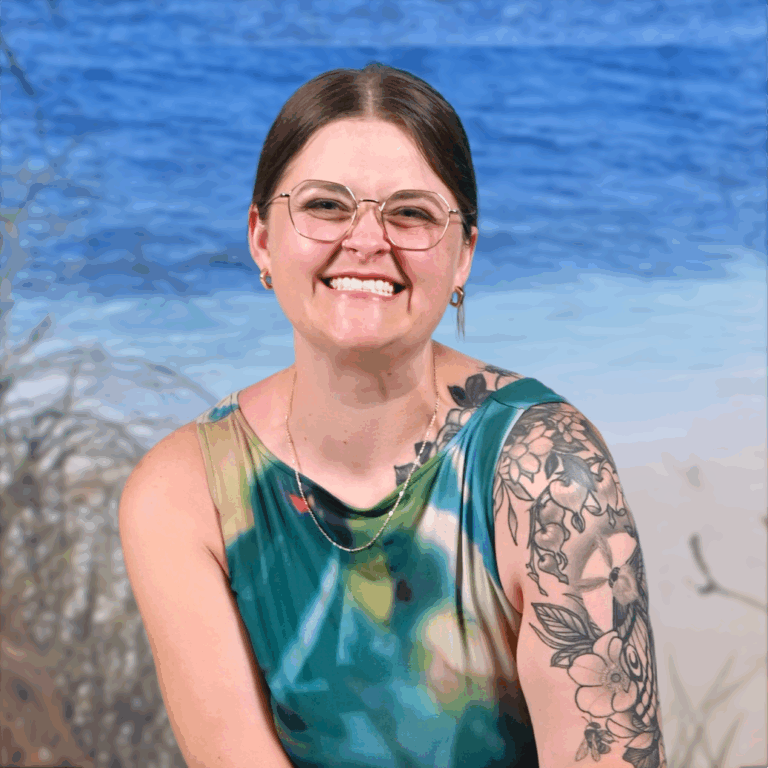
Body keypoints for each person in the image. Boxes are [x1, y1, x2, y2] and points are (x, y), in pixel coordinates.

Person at [119, 62, 666, 768]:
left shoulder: (547, 471)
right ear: (260, 237)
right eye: (325, 205)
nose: (367, 240)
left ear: (463, 254)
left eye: (411, 213)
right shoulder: (182, 494)